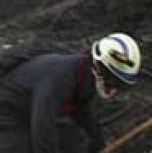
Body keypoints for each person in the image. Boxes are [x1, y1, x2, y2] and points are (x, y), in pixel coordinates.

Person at [0, 34, 141, 153]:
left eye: (120, 84)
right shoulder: (59, 78)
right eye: (112, 80)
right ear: (99, 66)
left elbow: (84, 115)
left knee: (76, 143)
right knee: (25, 146)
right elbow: (43, 127)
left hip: (30, 110)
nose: (113, 88)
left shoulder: (84, 77)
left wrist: (99, 146)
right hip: (8, 111)